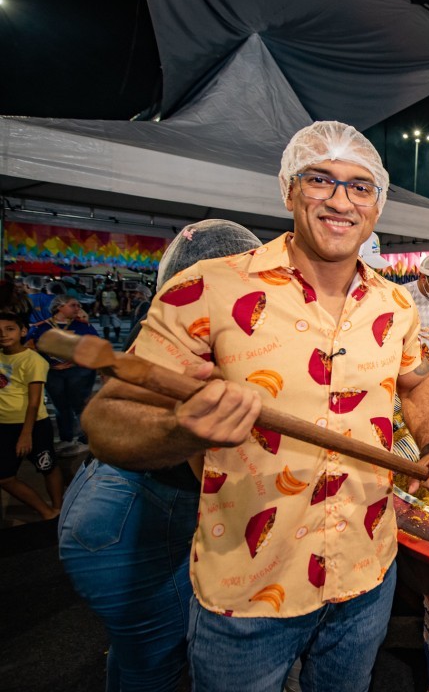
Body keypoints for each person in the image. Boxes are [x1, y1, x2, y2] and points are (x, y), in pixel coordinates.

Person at [81, 120, 429, 692]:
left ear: (378, 206)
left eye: (361, 187)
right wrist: (184, 429)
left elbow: (417, 381)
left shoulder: (396, 306)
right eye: (320, 180)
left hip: (365, 576)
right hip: (249, 591)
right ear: (288, 190)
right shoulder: (209, 288)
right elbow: (107, 420)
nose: (341, 201)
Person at [57, 220, 262, 691]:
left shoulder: (165, 320)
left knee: (136, 659)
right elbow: (200, 455)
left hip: (106, 494)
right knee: (160, 659)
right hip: (139, 508)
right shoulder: (199, 331)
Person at [0, 312, 62, 520]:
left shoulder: (33, 360)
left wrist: (26, 434)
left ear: (23, 331)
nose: (3, 334)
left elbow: (35, 402)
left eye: (10, 329)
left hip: (32, 425)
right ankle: (47, 512)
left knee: (47, 466)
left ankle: (58, 508)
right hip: (4, 426)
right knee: (5, 477)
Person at [27, 295, 100, 456]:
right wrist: (50, 363)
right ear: (59, 307)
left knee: (80, 405)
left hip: (79, 372)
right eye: (73, 305)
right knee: (61, 406)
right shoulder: (42, 327)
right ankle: (66, 438)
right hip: (52, 373)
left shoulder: (83, 326)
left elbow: (96, 347)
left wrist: (75, 360)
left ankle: (84, 439)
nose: (78, 308)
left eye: (78, 305)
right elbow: (29, 349)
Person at [123, 283, 154, 350]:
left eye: (137, 293)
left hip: (138, 332)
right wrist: (129, 300)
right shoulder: (139, 304)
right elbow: (128, 311)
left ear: (141, 294)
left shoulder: (145, 305)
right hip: (134, 330)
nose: (135, 294)